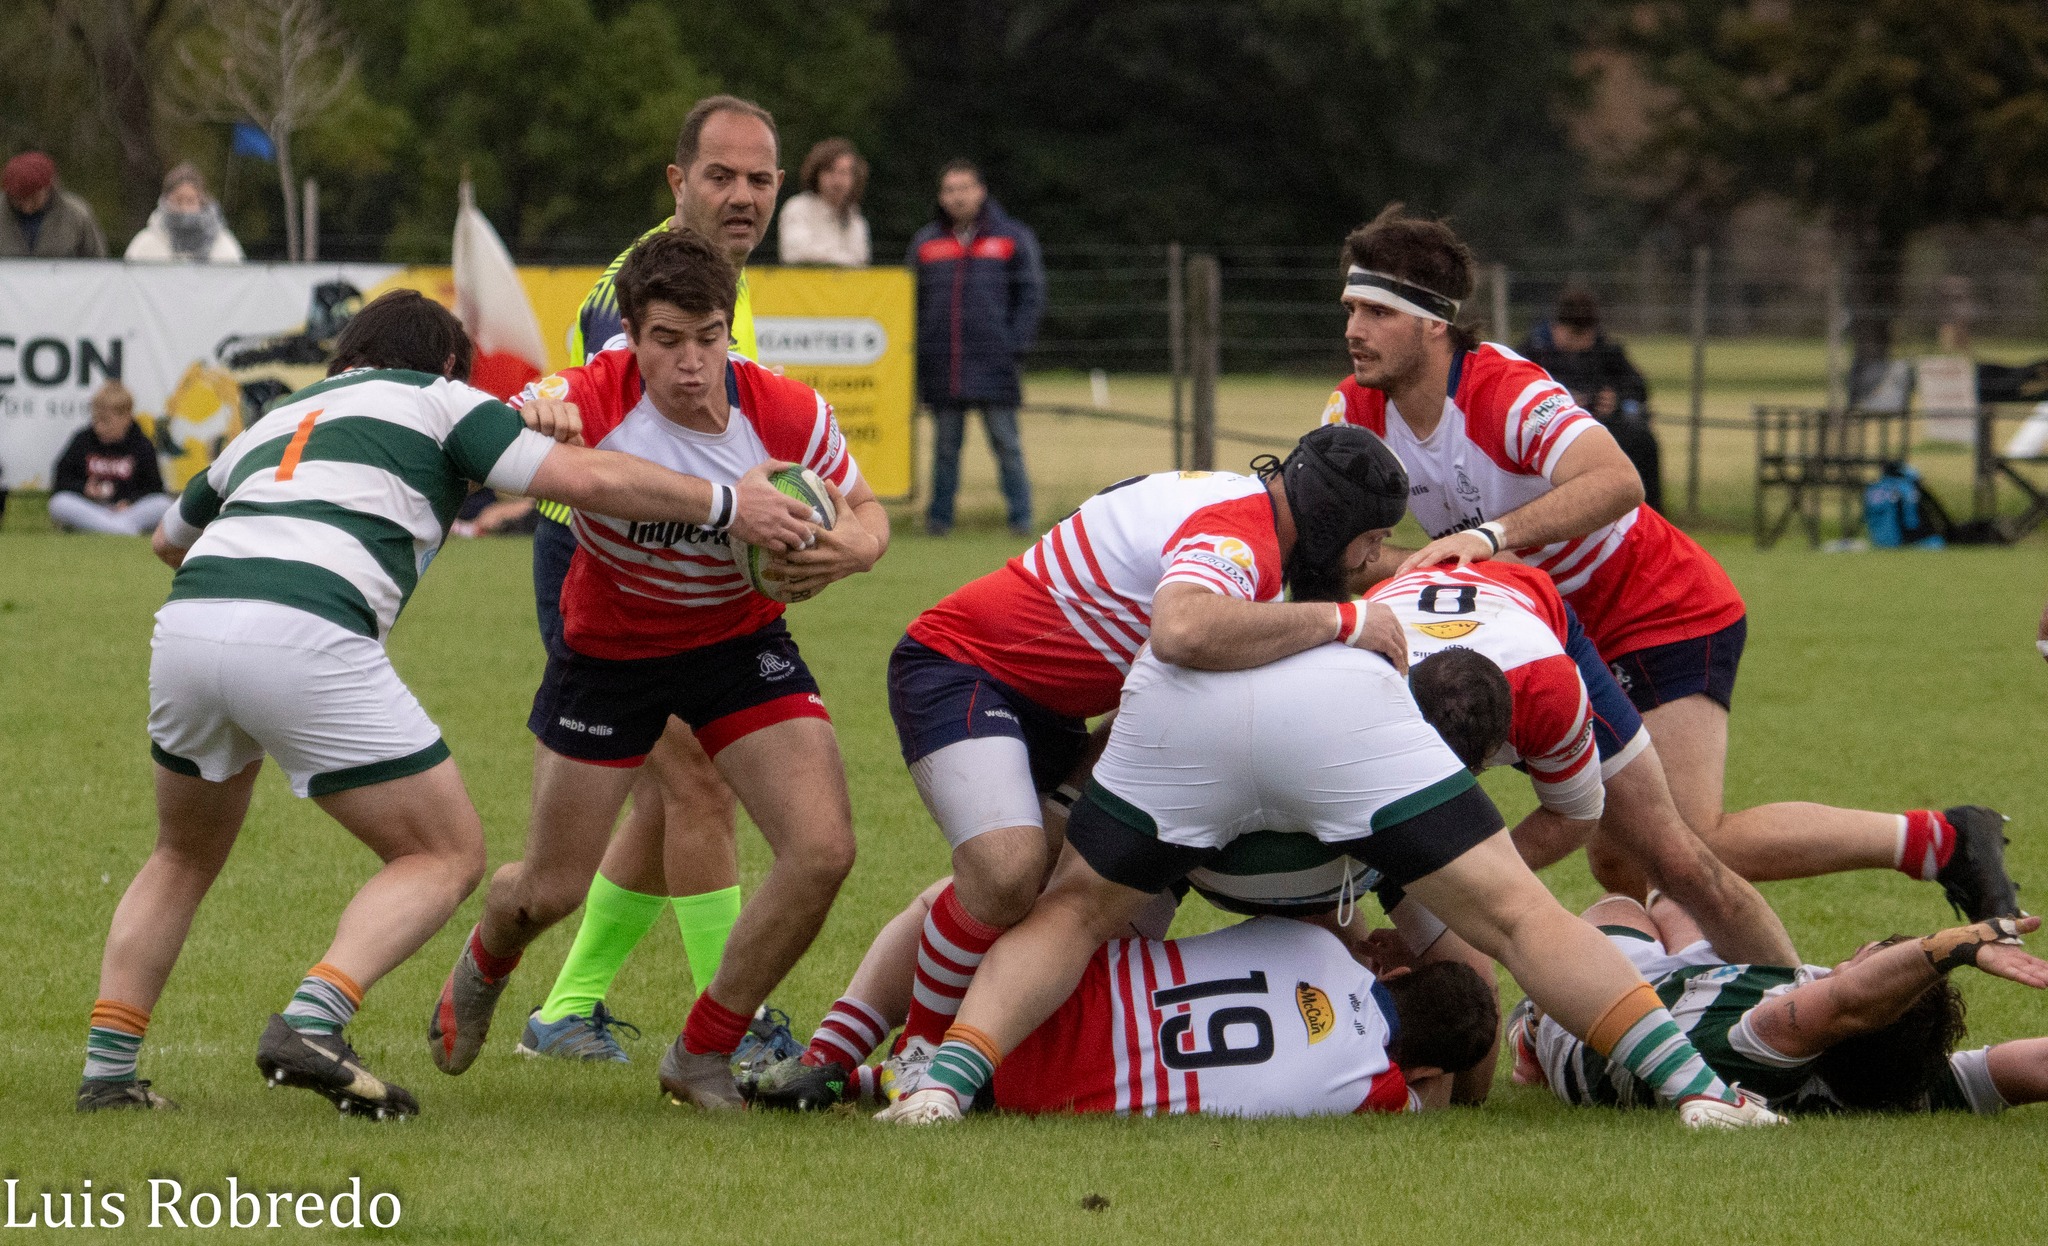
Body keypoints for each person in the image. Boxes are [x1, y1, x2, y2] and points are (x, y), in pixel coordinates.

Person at [76, 289, 815, 1116]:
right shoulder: (441, 399)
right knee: (446, 853)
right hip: (306, 627)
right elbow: (589, 481)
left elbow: (167, 540)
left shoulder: (279, 414)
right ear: (452, 365)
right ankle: (314, 1019)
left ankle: (108, 1074)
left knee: (179, 855)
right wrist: (724, 504)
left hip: (188, 627)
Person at [1320, 206, 2019, 922]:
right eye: (1350, 308)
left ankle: (1944, 840)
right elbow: (1330, 554)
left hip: (1657, 608)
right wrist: (1422, 560)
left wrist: (1490, 540)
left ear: (1434, 321)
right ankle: (1651, 995)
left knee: (1680, 844)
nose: (1353, 329)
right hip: (1549, 633)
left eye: (1377, 311)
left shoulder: (1503, 390)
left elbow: (1617, 480)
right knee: (1619, 859)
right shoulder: (1353, 413)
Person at [877, 621, 1782, 1128]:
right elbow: (1569, 830)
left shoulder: (1374, 618)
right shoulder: (1529, 688)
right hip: (1342, 760)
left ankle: (925, 1075)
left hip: (1196, 725)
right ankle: (1701, 1091)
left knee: (1057, 916)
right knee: (1515, 922)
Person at [741, 427, 1413, 1108]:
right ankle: (914, 1054)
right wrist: (1343, 620)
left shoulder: (1249, 514)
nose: (1372, 558)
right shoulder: (1244, 540)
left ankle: (832, 1058)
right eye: (1373, 540)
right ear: (1333, 520)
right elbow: (1179, 631)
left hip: (1051, 706)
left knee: (1025, 886)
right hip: (963, 669)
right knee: (1003, 875)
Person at [427, 228, 889, 1110]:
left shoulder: (784, 411)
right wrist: (534, 417)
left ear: (729, 332)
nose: (690, 362)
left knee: (822, 850)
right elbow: (486, 441)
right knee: (550, 886)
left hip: (737, 644)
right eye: (667, 341)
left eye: (708, 337)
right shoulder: (592, 394)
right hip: (611, 654)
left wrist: (849, 553)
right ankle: (491, 946)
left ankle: (702, 1051)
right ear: (631, 337)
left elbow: (867, 510)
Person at [523, 95, 789, 1066]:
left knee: (668, 792)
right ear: (677, 182)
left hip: (680, 552)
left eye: (759, 179)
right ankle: (741, 1027)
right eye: (720, 176)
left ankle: (568, 1007)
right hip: (602, 561)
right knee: (699, 786)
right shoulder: (629, 293)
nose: (741, 196)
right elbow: (596, 421)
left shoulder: (721, 282)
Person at [749, 880, 1495, 1118]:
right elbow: (1421, 1091)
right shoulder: (1384, 1093)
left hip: (1026, 1003)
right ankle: (866, 1078)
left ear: (1396, 972)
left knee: (960, 896)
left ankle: (840, 1057)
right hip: (1041, 1093)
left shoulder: (1318, 945)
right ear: (1424, 1073)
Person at [1520, 895, 2048, 1116]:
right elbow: (2036, 1065)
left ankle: (1529, 1029)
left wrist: (1957, 945)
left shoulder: (1773, 1043)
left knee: (1621, 906)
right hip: (1696, 986)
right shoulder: (1908, 1077)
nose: (1863, 952)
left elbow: (1850, 1000)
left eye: (1877, 956)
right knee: (1678, 899)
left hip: (1593, 1031)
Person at [909, 160, 1045, 536]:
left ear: (981, 191)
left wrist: (1015, 345)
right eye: (950, 189)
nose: (958, 196)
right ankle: (938, 522)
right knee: (945, 450)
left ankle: (1022, 521)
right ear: (941, 196)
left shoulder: (1012, 238)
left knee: (1007, 445)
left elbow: (1031, 295)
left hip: (996, 364)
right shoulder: (925, 242)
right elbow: (909, 302)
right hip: (942, 364)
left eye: (965, 187)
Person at [1518, 286, 1661, 511]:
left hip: (1601, 426)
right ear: (1557, 328)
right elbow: (1516, 394)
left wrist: (1616, 399)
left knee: (1642, 441)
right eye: (1574, 335)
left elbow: (1638, 387)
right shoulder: (1533, 352)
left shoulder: (1606, 351)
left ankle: (1648, 514)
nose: (1582, 342)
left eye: (1587, 335)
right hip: (1548, 432)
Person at [48, 380, 174, 536]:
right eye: (96, 420)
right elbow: (61, 480)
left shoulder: (141, 445)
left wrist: (129, 501)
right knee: (59, 503)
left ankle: (106, 528)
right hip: (93, 509)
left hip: (128, 511)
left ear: (126, 418)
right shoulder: (83, 440)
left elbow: (154, 488)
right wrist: (84, 489)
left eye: (106, 421)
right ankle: (121, 530)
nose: (99, 427)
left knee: (164, 505)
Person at [124, 163, 243, 263]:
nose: (184, 208)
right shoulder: (145, 245)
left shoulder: (224, 246)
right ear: (166, 201)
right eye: (178, 200)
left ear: (202, 202)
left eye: (190, 201)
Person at [777, 138, 870, 266]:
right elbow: (795, 253)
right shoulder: (798, 207)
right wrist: (841, 259)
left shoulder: (854, 217)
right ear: (816, 174)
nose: (837, 180)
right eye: (830, 171)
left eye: (843, 172)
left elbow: (861, 260)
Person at [0, 151, 106, 258]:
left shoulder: (77, 214)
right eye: (18, 199)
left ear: (49, 188)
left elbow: (97, 261)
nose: (26, 208)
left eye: (34, 199)